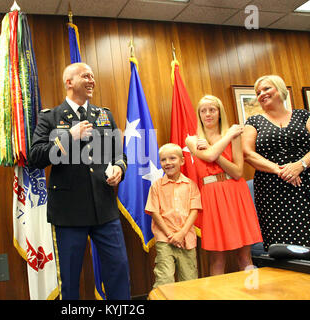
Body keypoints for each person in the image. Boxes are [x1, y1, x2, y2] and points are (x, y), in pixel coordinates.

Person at [29, 62, 130, 300]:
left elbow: (118, 153)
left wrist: (118, 168)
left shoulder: (104, 115)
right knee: (70, 278)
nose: (92, 80)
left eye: (93, 77)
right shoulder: (50, 117)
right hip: (69, 211)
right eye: (86, 76)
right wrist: (68, 137)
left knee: (118, 269)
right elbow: (36, 157)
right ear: (69, 82)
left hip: (104, 208)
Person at [243, 75, 310, 251]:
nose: (262, 94)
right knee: (279, 247)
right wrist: (280, 170)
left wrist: (299, 165)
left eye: (266, 89)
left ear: (280, 89)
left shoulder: (304, 116)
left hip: (304, 188)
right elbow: (247, 154)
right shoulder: (253, 122)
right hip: (270, 191)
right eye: (258, 92)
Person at [186, 95, 263, 276]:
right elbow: (208, 157)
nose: (208, 114)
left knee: (245, 256)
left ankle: (252, 293)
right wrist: (225, 138)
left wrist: (215, 146)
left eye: (212, 109)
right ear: (199, 115)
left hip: (235, 192)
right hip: (211, 195)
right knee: (217, 259)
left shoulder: (234, 136)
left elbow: (237, 171)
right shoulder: (193, 139)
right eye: (203, 111)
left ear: (220, 112)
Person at [145, 143, 201, 287]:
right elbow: (154, 212)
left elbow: (194, 211)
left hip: (186, 239)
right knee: (165, 279)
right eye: (163, 160)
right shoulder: (156, 186)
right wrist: (170, 234)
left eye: (172, 158)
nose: (168, 163)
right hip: (165, 239)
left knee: (189, 280)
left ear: (182, 161)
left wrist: (181, 233)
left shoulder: (191, 185)